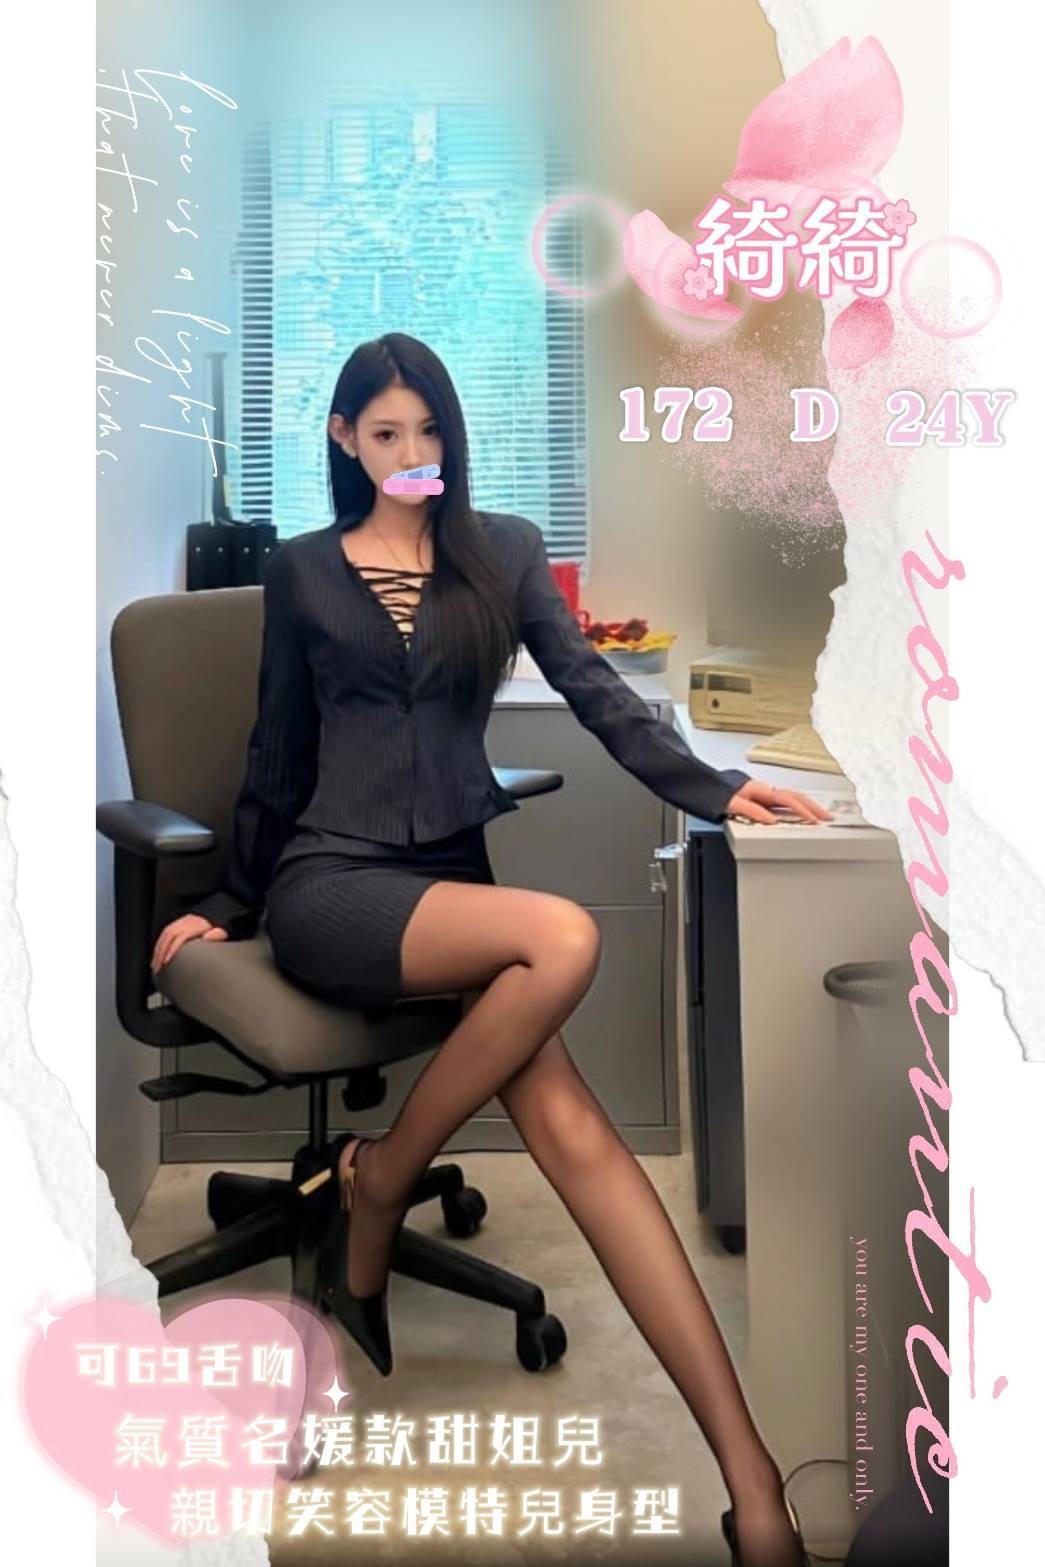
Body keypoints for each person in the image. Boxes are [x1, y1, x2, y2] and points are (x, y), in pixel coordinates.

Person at [151, 332, 829, 1566]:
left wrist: (716, 788)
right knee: (561, 936)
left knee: (581, 1138)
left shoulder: (503, 551)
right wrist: (230, 898)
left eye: (430, 430)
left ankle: (755, 1489)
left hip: (451, 890)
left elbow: (597, 692)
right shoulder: (302, 571)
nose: (413, 453)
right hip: (330, 883)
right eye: (386, 433)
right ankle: (378, 1183)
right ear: (345, 441)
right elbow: (277, 753)